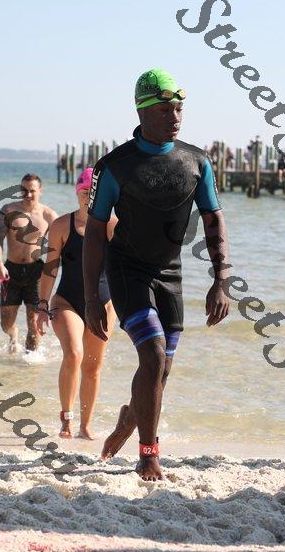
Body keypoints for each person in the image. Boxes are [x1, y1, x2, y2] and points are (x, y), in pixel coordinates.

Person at [83, 68, 230, 481]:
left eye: (179, 108)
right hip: (127, 269)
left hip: (170, 272)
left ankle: (131, 417)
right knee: (151, 354)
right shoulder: (114, 166)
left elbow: (214, 218)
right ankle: (148, 455)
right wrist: (93, 297)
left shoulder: (197, 162)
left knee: (161, 369)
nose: (175, 117)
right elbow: (94, 231)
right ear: (142, 111)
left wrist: (221, 280)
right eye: (165, 109)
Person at [36, 168, 117, 440]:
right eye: (84, 191)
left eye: (94, 192)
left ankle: (85, 426)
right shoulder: (61, 225)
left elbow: (127, 268)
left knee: (92, 368)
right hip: (67, 301)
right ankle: (67, 420)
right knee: (73, 353)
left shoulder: (112, 226)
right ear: (77, 193)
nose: (88, 197)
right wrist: (41, 305)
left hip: (104, 303)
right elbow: (50, 269)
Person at [0, 173, 58, 353]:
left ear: (40, 191)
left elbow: (63, 242)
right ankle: (13, 335)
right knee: (6, 323)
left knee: (34, 324)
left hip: (36, 272)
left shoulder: (49, 215)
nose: (27, 194)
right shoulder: (8, 210)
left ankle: (30, 360)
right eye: (23, 190)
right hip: (10, 270)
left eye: (32, 191)